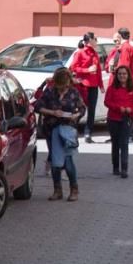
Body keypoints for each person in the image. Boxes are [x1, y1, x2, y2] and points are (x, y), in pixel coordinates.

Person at [34, 69, 85, 201]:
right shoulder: (50, 91)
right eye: (60, 85)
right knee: (55, 162)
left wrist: (76, 115)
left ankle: (74, 189)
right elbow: (37, 106)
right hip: (51, 130)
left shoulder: (73, 92)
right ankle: (57, 190)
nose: (63, 88)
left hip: (68, 129)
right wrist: (52, 112)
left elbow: (82, 109)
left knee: (68, 160)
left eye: (65, 85)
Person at [104, 66, 133, 178]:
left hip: (126, 119)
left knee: (124, 144)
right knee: (115, 144)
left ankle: (124, 168)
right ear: (117, 75)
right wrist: (119, 108)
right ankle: (115, 167)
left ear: (128, 75)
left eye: (124, 74)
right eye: (120, 74)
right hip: (113, 119)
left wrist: (131, 109)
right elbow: (107, 102)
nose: (122, 76)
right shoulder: (112, 88)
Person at [69, 33, 104, 144]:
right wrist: (86, 70)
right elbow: (73, 68)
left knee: (92, 111)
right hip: (83, 85)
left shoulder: (95, 54)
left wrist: (101, 85)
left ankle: (88, 132)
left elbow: (98, 71)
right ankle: (73, 129)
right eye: (95, 39)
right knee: (80, 109)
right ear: (90, 40)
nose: (96, 41)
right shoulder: (80, 52)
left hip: (93, 85)